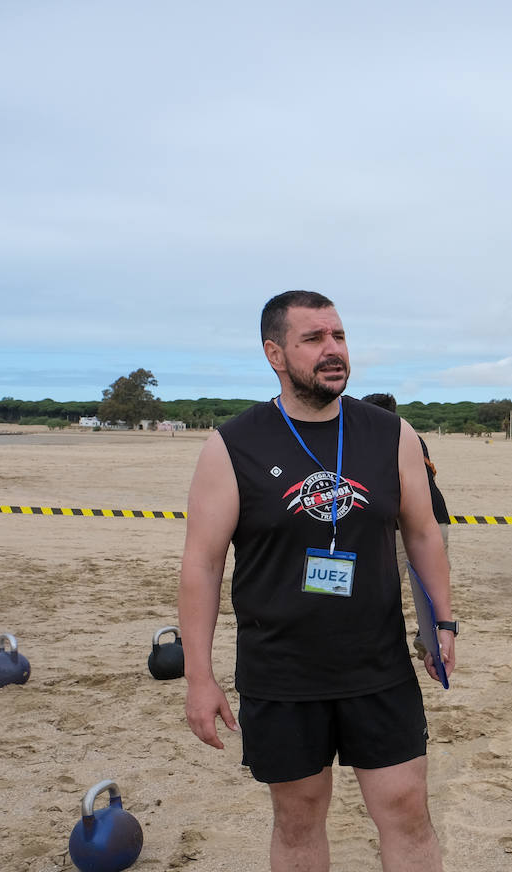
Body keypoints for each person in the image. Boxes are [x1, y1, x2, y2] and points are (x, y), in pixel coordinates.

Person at [177, 290, 456, 871]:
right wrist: (198, 678)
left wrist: (443, 621)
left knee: (406, 808)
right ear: (275, 354)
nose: (334, 351)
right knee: (299, 819)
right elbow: (202, 565)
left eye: (339, 336)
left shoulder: (391, 434)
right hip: (281, 671)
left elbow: (423, 533)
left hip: (377, 665)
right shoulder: (231, 446)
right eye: (314, 339)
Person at [361, 393, 452, 586]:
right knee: (434, 592)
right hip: (437, 518)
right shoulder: (412, 437)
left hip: (400, 527)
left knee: (387, 590)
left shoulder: (373, 439)